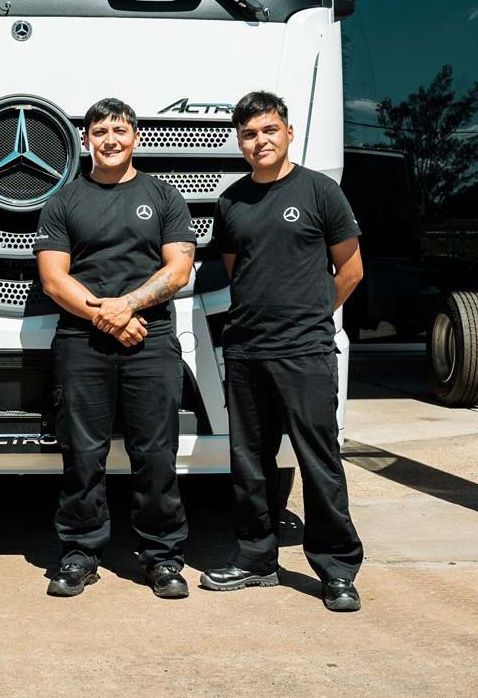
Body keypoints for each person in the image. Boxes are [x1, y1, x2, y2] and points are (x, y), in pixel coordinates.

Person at [201, 90, 366, 612]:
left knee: (319, 461)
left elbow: (351, 269)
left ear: (289, 133)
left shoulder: (320, 191)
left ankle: (336, 568)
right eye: (249, 134)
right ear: (240, 142)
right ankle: (256, 558)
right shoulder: (231, 202)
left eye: (269, 130)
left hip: (305, 352)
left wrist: (313, 315)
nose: (260, 141)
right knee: (249, 463)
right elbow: (239, 271)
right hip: (246, 350)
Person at [34, 97, 196, 599]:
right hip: (82, 340)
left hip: (152, 337)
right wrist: (107, 316)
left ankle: (162, 557)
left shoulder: (163, 196)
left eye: (120, 130)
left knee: (156, 453)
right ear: (86, 140)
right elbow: (53, 279)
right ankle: (80, 553)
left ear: (136, 137)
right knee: (83, 454)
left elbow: (179, 268)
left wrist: (127, 306)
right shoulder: (63, 201)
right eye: (100, 132)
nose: (110, 140)